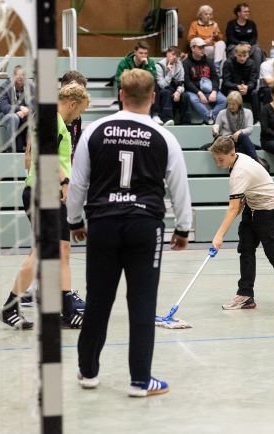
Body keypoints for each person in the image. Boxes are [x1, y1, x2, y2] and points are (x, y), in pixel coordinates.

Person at [67, 69, 192, 396]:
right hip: (144, 226)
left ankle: (88, 372)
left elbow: (78, 183)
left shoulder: (95, 131)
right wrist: (183, 228)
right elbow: (179, 186)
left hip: (103, 224)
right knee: (142, 302)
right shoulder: (164, 137)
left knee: (98, 300)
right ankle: (140, 380)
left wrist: (74, 221)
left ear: (120, 95)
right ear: (153, 97)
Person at [0, 82, 91, 330]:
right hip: (43, 192)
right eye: (79, 111)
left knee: (62, 250)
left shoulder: (54, 120)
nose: (78, 117)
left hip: (52, 194)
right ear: (72, 104)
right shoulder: (51, 119)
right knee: (42, 253)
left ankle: (66, 310)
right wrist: (65, 182)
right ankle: (10, 307)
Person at [209, 136, 274, 310]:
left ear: (232, 153)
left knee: (273, 252)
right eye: (215, 159)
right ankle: (245, 295)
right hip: (252, 205)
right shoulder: (236, 160)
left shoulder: (239, 172)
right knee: (246, 248)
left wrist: (219, 236)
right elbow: (239, 202)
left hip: (270, 207)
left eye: (220, 159)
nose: (218, 163)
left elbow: (233, 208)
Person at [183, 37, 227, 124]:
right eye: (200, 47)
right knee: (193, 99)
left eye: (203, 47)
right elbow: (187, 82)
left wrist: (214, 91)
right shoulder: (186, 63)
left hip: (209, 89)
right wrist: (199, 93)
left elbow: (215, 78)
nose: (202, 49)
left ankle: (210, 117)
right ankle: (210, 118)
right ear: (192, 48)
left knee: (224, 100)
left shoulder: (209, 61)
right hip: (194, 91)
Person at [213, 91, 258, 161]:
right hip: (226, 141)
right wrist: (215, 130)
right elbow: (217, 130)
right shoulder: (222, 113)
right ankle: (256, 161)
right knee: (243, 140)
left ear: (239, 104)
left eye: (233, 104)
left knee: (242, 138)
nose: (231, 106)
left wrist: (239, 132)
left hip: (240, 141)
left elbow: (250, 129)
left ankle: (253, 162)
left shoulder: (248, 113)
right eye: (229, 104)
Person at [0, 65, 34, 152]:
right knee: (14, 118)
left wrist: (26, 112)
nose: (21, 78)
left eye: (23, 75)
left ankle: (31, 147)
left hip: (24, 115)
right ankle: (10, 148)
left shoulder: (30, 87)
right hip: (6, 115)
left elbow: (34, 104)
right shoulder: (4, 87)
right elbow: (4, 107)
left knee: (36, 116)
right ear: (13, 76)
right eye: (18, 75)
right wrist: (19, 108)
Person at [221, 43, 259, 115]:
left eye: (244, 56)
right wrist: (237, 87)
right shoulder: (228, 63)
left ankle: (256, 118)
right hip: (232, 89)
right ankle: (227, 117)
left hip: (246, 90)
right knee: (231, 93)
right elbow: (226, 82)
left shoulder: (252, 63)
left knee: (254, 93)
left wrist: (247, 87)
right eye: (239, 56)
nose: (242, 58)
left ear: (248, 55)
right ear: (235, 54)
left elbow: (253, 81)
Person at [187, 5, 226, 74]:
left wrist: (217, 35)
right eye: (206, 14)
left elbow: (220, 38)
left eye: (210, 14)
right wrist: (204, 41)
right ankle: (218, 72)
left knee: (222, 43)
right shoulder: (195, 24)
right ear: (200, 15)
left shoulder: (214, 24)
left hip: (213, 48)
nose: (208, 16)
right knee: (223, 54)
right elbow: (190, 39)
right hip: (202, 48)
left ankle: (216, 66)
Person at [155, 46, 186, 126]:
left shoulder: (179, 65)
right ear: (167, 54)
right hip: (163, 90)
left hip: (175, 89)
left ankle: (185, 122)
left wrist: (178, 92)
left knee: (186, 96)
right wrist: (169, 73)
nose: (174, 57)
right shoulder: (159, 66)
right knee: (166, 93)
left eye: (177, 55)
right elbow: (162, 85)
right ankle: (167, 119)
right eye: (172, 54)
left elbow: (181, 82)